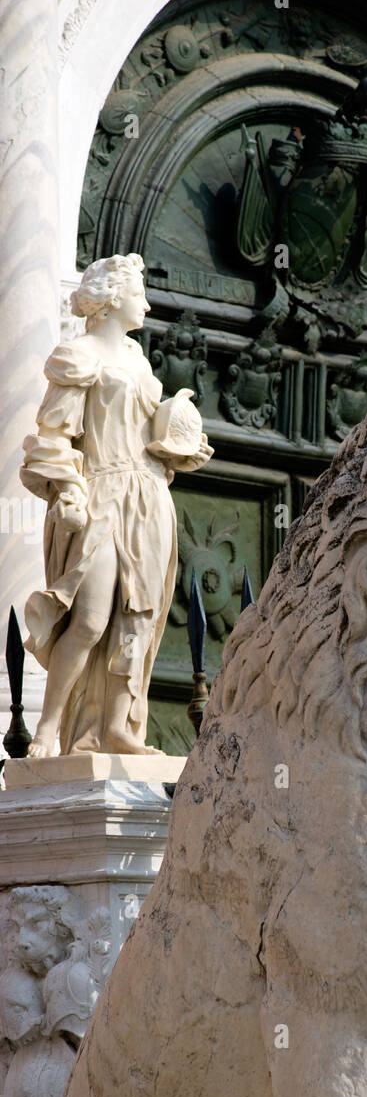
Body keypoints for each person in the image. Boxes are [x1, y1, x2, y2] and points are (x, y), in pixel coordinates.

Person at [20, 253, 211, 755]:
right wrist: (66, 489)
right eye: (137, 292)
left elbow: (148, 437)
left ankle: (119, 727)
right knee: (89, 617)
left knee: (139, 620)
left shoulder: (139, 361)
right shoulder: (79, 355)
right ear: (109, 300)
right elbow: (52, 436)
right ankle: (48, 726)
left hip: (149, 497)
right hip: (102, 493)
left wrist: (178, 449)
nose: (146, 302)